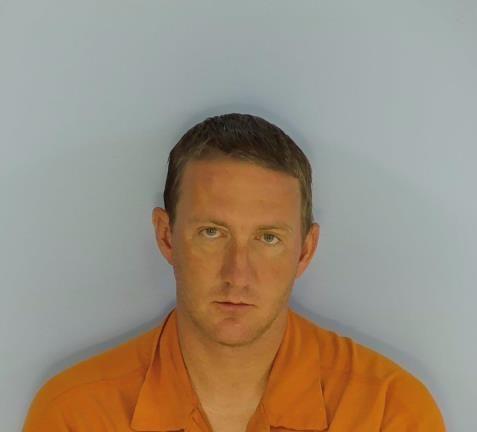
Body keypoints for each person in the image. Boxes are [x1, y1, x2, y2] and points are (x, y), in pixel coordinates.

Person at [23, 113, 446, 431]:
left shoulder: (389, 412)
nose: (237, 274)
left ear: (304, 251)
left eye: (268, 238)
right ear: (167, 236)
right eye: (212, 232)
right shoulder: (74, 416)